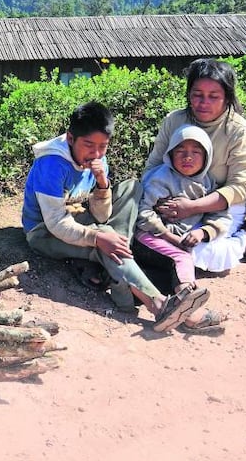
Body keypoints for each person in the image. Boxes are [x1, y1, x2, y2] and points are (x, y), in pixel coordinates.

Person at [22, 101, 209, 333]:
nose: (96, 153)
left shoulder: (100, 160)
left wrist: (102, 184)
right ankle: (159, 305)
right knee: (107, 237)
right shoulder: (51, 165)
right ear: (70, 138)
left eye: (103, 146)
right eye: (89, 145)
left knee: (133, 187)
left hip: (82, 218)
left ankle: (115, 267)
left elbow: (102, 215)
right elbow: (56, 223)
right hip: (44, 232)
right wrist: (99, 238)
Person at [137, 58, 246, 274]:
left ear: (227, 98)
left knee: (200, 254)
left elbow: (240, 188)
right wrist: (159, 199)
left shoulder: (240, 132)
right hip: (170, 196)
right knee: (148, 235)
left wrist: (192, 207)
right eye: (197, 95)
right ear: (189, 94)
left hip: (218, 206)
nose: (204, 102)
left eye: (213, 96)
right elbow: (154, 165)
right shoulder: (174, 120)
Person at [134, 124, 230, 331]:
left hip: (176, 240)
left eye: (196, 152)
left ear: (206, 157)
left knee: (176, 262)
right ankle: (190, 312)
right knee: (181, 258)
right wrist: (170, 237)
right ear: (170, 154)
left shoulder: (208, 182)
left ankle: (182, 306)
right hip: (148, 237)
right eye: (181, 151)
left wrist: (202, 232)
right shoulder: (161, 177)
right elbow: (143, 214)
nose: (188, 157)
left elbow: (221, 215)